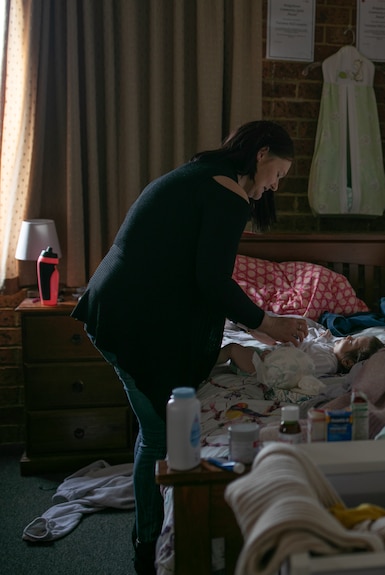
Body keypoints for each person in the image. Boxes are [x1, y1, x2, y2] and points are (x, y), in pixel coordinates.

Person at [70, 120, 309, 575]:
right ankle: (146, 547)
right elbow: (211, 280)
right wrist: (269, 322)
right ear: (261, 154)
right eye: (279, 172)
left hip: (123, 306)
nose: (277, 184)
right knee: (159, 435)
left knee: (153, 428)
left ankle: (145, 531)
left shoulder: (204, 175)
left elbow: (199, 274)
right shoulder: (227, 194)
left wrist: (253, 328)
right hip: (126, 316)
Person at [219, 332, 385, 379]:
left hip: (264, 367)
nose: (348, 337)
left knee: (231, 349)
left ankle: (201, 364)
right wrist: (322, 338)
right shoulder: (328, 351)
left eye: (352, 342)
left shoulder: (327, 362)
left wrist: (271, 360)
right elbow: (311, 347)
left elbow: (298, 366)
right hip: (269, 356)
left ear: (347, 362)